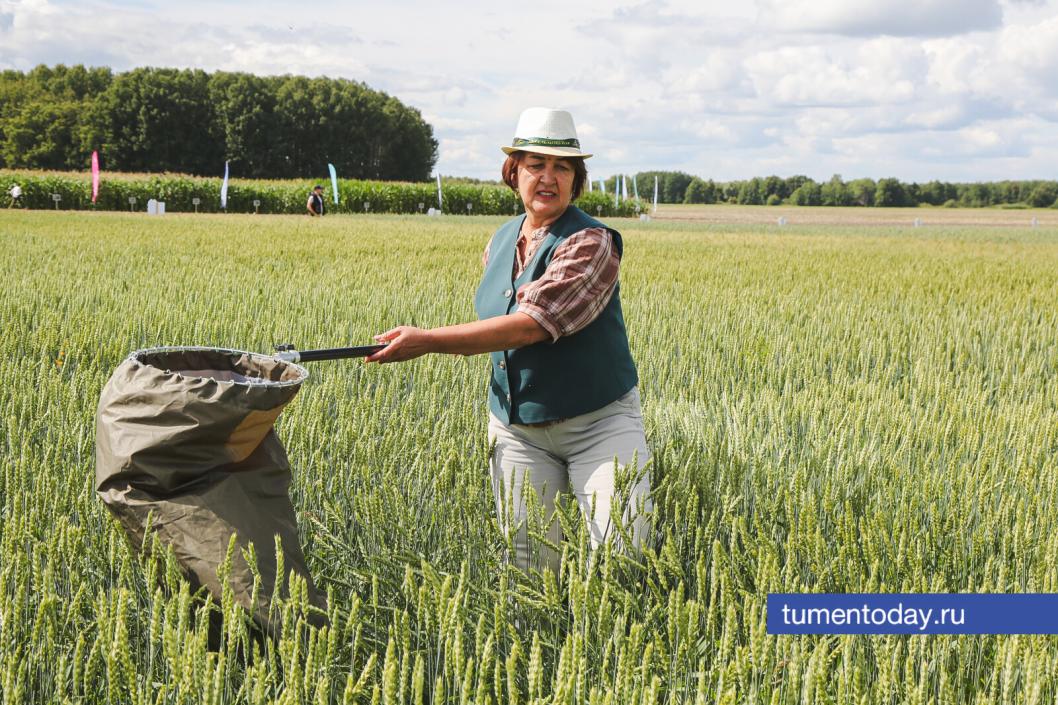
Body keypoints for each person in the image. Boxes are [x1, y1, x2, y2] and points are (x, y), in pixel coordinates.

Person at [366, 107, 651, 573]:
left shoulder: (592, 241)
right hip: (518, 432)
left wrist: (429, 340)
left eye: (562, 167)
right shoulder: (500, 240)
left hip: (599, 426)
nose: (548, 177)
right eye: (535, 165)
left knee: (623, 555)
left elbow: (531, 324)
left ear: (576, 180)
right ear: (514, 172)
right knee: (528, 566)